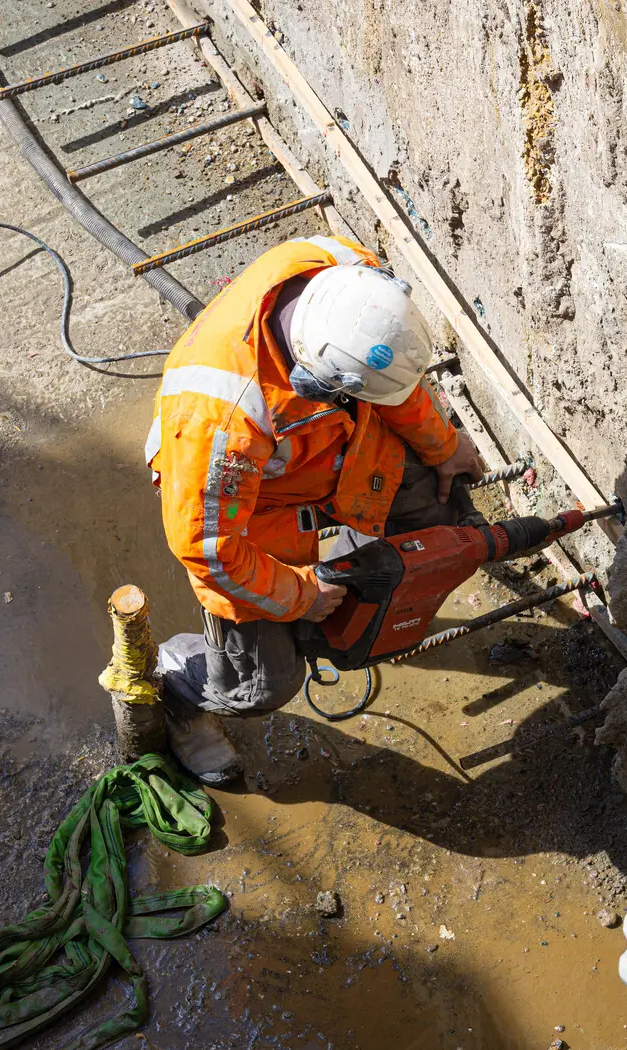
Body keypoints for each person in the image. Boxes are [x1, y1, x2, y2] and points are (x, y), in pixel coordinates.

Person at [144, 235, 487, 785]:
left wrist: (444, 446)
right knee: (264, 687)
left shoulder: (354, 283)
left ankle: (348, 607)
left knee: (445, 512)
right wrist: (301, 596)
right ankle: (181, 688)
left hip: (345, 458)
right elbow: (210, 549)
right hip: (256, 517)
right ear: (313, 378)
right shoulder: (218, 417)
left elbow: (392, 383)